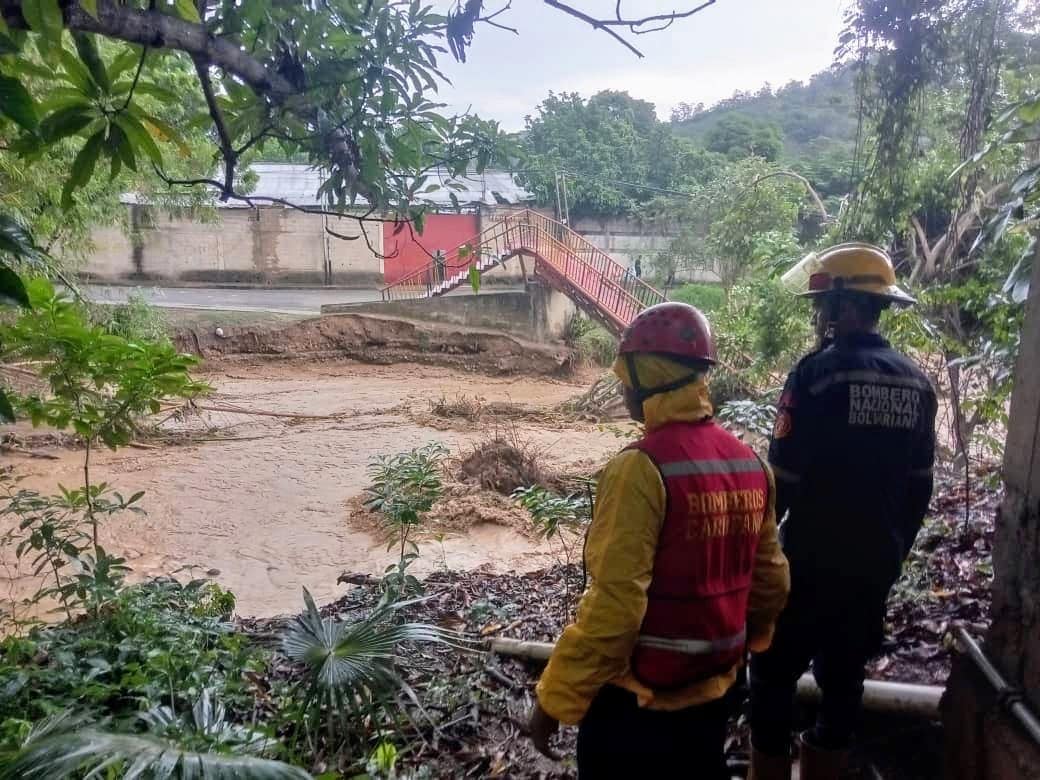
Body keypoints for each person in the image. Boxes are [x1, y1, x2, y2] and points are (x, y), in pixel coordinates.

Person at [527, 301, 791, 778]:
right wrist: (732, 649)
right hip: (715, 693)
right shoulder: (751, 464)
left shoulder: (639, 469)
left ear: (647, 377)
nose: (622, 386)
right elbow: (770, 583)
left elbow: (615, 609)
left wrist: (556, 699)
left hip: (640, 708)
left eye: (626, 374)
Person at [748, 243, 938, 780]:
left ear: (843, 307)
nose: (820, 316)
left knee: (772, 674)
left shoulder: (815, 375)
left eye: (824, 306)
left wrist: (760, 557)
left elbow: (782, 481)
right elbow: (919, 487)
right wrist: (893, 549)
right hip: (874, 562)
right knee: (845, 678)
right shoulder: (916, 383)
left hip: (809, 558)